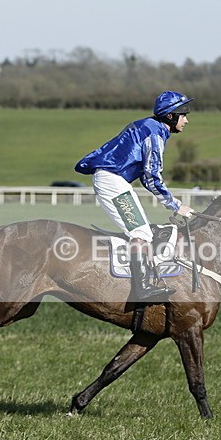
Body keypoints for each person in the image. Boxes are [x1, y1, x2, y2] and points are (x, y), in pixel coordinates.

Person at [74, 91, 195, 301]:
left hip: (112, 179)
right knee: (142, 232)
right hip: (112, 180)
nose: (187, 120)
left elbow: (147, 179)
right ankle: (142, 288)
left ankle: (142, 281)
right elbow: (152, 177)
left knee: (143, 231)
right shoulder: (154, 133)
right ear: (170, 116)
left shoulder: (150, 127)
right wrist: (176, 206)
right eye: (183, 115)